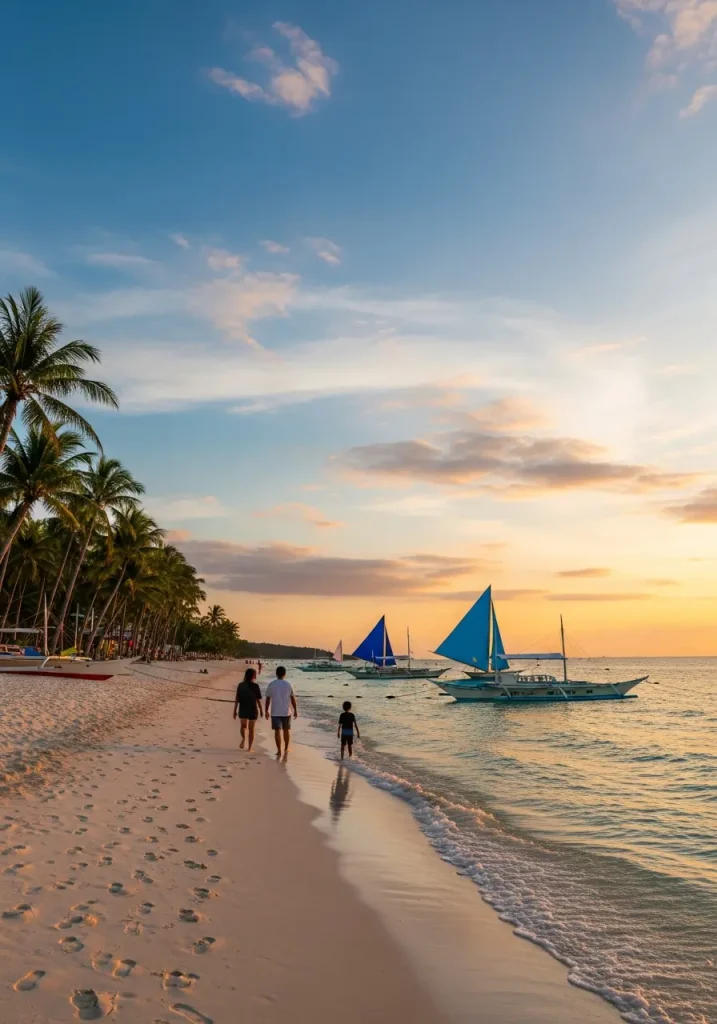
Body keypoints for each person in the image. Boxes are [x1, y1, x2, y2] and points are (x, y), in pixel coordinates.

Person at [265, 665, 297, 757]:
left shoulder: (272, 684)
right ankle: (286, 748)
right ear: (285, 674)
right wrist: (295, 710)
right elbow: (293, 699)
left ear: (276, 674)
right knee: (286, 730)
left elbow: (268, 699)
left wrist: (266, 710)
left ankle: (279, 751)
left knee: (277, 731)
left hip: (275, 711)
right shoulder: (288, 684)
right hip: (286, 712)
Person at [233, 667, 263, 752]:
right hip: (253, 709)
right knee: (251, 729)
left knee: (243, 726)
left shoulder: (241, 685)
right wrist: (261, 709)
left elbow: (237, 699)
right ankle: (250, 748)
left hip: (243, 709)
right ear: (254, 676)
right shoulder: (256, 686)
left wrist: (234, 710)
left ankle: (243, 739)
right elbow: (258, 699)